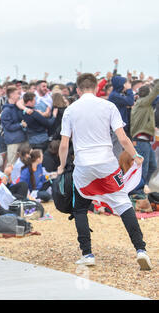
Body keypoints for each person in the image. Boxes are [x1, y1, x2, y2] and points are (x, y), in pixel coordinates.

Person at [58, 73, 152, 270]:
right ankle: (140, 249)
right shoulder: (108, 106)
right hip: (107, 162)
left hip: (83, 164)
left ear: (77, 89)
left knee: (81, 207)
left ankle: (87, 253)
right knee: (123, 202)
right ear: (95, 87)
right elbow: (123, 138)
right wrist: (135, 156)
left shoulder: (70, 110)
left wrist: (61, 165)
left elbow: (64, 144)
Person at [130, 82, 159, 186]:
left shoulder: (142, 103)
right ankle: (138, 192)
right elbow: (156, 96)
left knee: (152, 166)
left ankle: (143, 187)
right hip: (141, 141)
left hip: (145, 141)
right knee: (143, 169)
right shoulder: (143, 104)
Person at [1, 86, 27, 166]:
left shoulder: (18, 107)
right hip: (13, 141)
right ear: (11, 95)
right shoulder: (6, 111)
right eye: (17, 94)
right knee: (11, 164)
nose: (19, 96)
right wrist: (20, 125)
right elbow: (8, 127)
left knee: (24, 163)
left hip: (22, 139)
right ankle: (8, 179)